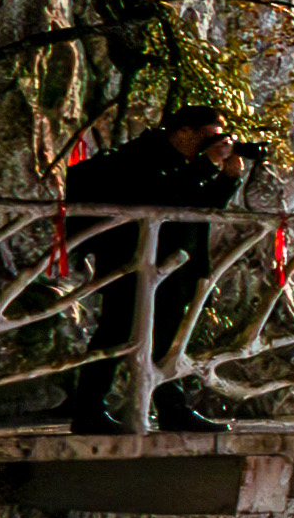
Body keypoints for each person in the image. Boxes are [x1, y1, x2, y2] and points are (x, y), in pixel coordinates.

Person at [56, 105, 260, 435]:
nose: (217, 143)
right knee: (116, 331)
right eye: (210, 137)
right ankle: (90, 410)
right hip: (131, 261)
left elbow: (200, 206)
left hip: (171, 263)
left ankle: (171, 408)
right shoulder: (141, 155)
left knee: (166, 337)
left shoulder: (186, 163)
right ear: (182, 132)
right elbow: (161, 197)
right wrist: (207, 164)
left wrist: (227, 179)